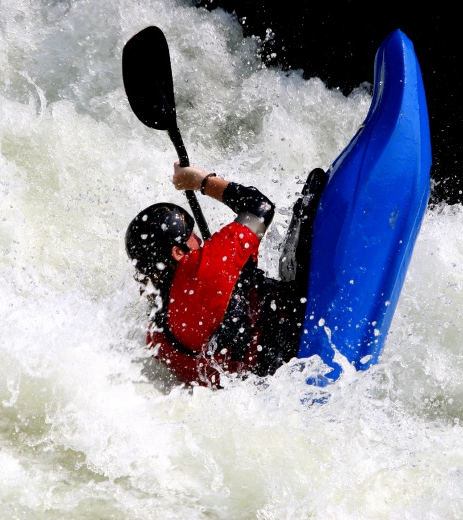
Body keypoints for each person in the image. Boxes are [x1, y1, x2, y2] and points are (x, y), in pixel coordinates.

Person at [125, 161, 325, 387]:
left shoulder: (157, 329)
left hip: (261, 384)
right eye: (191, 236)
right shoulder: (199, 270)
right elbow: (260, 208)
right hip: (296, 338)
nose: (199, 241)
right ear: (178, 252)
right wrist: (201, 182)